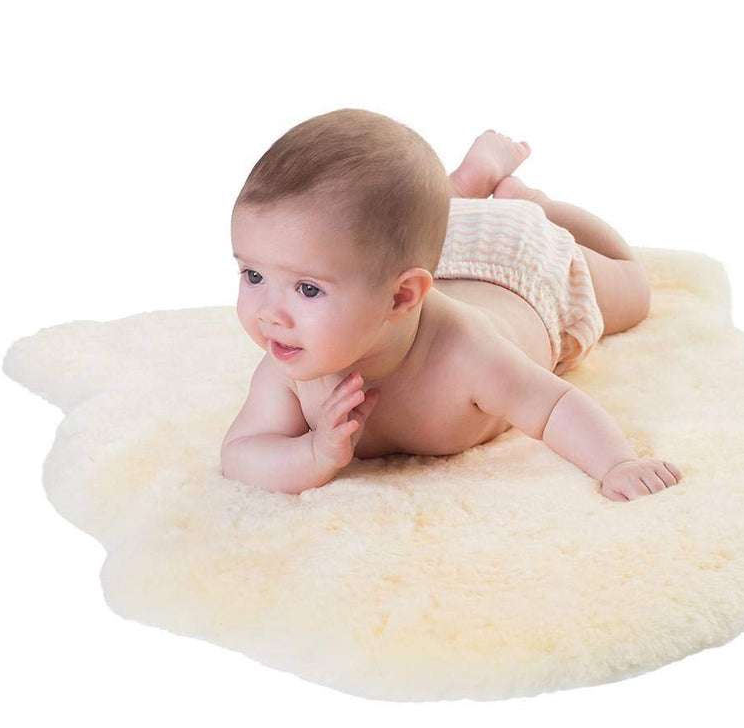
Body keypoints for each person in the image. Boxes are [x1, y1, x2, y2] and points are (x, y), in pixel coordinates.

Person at [222, 108, 682, 501]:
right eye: (254, 276)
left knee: (634, 290)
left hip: (519, 270)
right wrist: (313, 454)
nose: (268, 314)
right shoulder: (291, 367)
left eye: (307, 290)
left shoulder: (467, 353)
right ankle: (461, 189)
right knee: (398, 228)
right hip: (434, 255)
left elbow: (555, 406)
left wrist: (617, 463)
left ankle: (532, 202)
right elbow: (241, 452)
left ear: (402, 297)